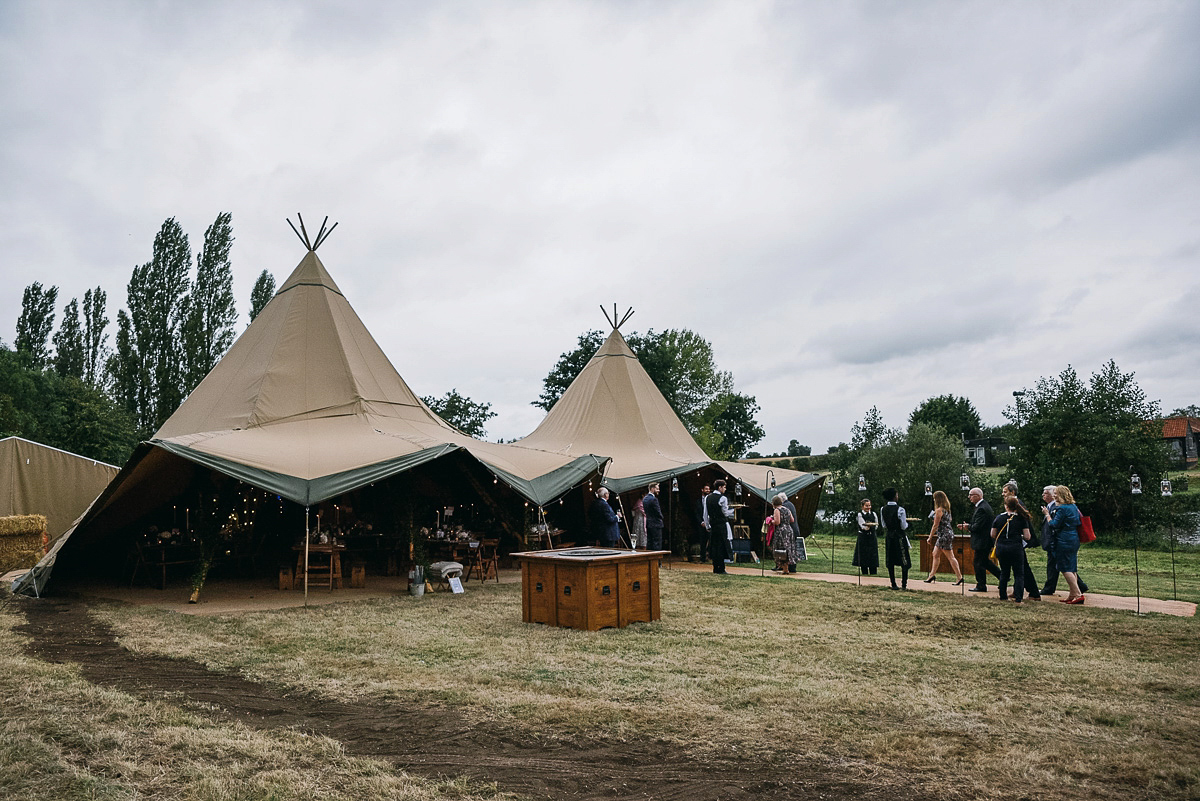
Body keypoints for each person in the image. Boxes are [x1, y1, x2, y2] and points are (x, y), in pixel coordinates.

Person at [1040, 484, 1089, 596]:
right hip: (1073, 538)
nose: (1054, 496)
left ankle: (1077, 594)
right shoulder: (1073, 507)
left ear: (1061, 495)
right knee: (1072, 567)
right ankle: (1073, 593)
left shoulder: (1062, 508)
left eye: (1056, 494)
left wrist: (1047, 515)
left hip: (1064, 539)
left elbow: (1054, 524)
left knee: (1064, 568)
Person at [1000, 482, 1041, 601]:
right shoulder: (1016, 504)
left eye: (1005, 492)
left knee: (1022, 568)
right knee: (1020, 567)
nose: (1003, 494)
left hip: (1017, 541)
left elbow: (1024, 524)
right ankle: (1018, 590)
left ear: (1012, 492)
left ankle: (1033, 592)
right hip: (1016, 542)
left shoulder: (1017, 504)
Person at [991, 495, 1033, 604]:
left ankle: (1003, 595)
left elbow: (992, 534)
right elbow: (1027, 536)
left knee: (1004, 572)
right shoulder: (1021, 518)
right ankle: (1018, 597)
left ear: (1006, 506)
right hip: (1015, 547)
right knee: (1019, 573)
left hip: (1002, 547)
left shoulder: (999, 518)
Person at [959, 487, 999, 592]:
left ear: (978, 496)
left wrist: (968, 527)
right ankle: (1002, 576)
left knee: (978, 563)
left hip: (982, 541)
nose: (969, 497)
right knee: (984, 561)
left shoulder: (982, 508)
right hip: (984, 540)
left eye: (971, 495)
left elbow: (978, 526)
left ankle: (981, 585)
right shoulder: (982, 506)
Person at [925, 490, 964, 584]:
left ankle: (959, 577)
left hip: (943, 535)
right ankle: (931, 575)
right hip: (948, 533)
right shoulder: (947, 510)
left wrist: (930, 537)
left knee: (950, 556)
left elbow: (935, 525)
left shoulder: (939, 511)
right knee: (935, 554)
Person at [881, 488, 911, 590]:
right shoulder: (901, 509)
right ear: (894, 496)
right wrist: (907, 524)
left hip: (889, 536)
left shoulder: (883, 509)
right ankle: (904, 584)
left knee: (890, 559)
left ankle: (893, 583)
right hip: (899, 535)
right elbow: (903, 526)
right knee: (904, 559)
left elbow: (884, 524)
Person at [705, 479, 735, 574]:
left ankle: (715, 568)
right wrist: (733, 510)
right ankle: (721, 568)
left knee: (714, 546)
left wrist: (707, 525)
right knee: (721, 546)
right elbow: (725, 513)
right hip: (721, 524)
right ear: (720, 487)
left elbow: (705, 513)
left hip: (713, 524)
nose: (725, 489)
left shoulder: (707, 498)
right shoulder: (723, 498)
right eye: (724, 487)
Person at [770, 494, 800, 573]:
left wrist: (771, 521)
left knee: (781, 548)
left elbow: (777, 522)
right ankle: (787, 568)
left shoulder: (777, 510)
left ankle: (785, 569)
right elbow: (792, 520)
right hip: (789, 530)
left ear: (774, 503)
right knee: (788, 548)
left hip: (781, 531)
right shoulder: (787, 509)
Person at [852, 498, 880, 576]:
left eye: (869, 505)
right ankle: (864, 572)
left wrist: (871, 527)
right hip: (863, 538)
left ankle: (873, 572)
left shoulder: (873, 514)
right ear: (862, 506)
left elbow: (876, 524)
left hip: (872, 537)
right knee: (863, 555)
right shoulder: (860, 514)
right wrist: (868, 527)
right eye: (866, 506)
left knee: (872, 555)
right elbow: (863, 526)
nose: (868, 507)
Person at [779, 492, 806, 564]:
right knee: (793, 549)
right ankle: (792, 565)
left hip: (790, 531)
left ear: (781, 499)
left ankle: (788, 565)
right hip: (795, 529)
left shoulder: (784, 506)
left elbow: (785, 519)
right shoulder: (791, 504)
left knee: (788, 549)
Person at [643, 482, 664, 551]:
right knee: (657, 543)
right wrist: (661, 517)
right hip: (656, 523)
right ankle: (657, 560)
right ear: (652, 489)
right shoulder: (654, 499)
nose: (659, 490)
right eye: (657, 489)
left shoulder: (645, 499)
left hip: (649, 523)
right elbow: (658, 512)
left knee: (649, 542)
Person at [695, 483, 712, 561]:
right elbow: (696, 513)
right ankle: (703, 557)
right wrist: (701, 522)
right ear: (702, 490)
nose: (708, 490)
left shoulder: (711, 500)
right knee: (702, 541)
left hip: (710, 523)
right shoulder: (698, 501)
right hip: (701, 524)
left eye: (708, 489)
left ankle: (710, 556)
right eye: (706, 489)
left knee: (711, 540)